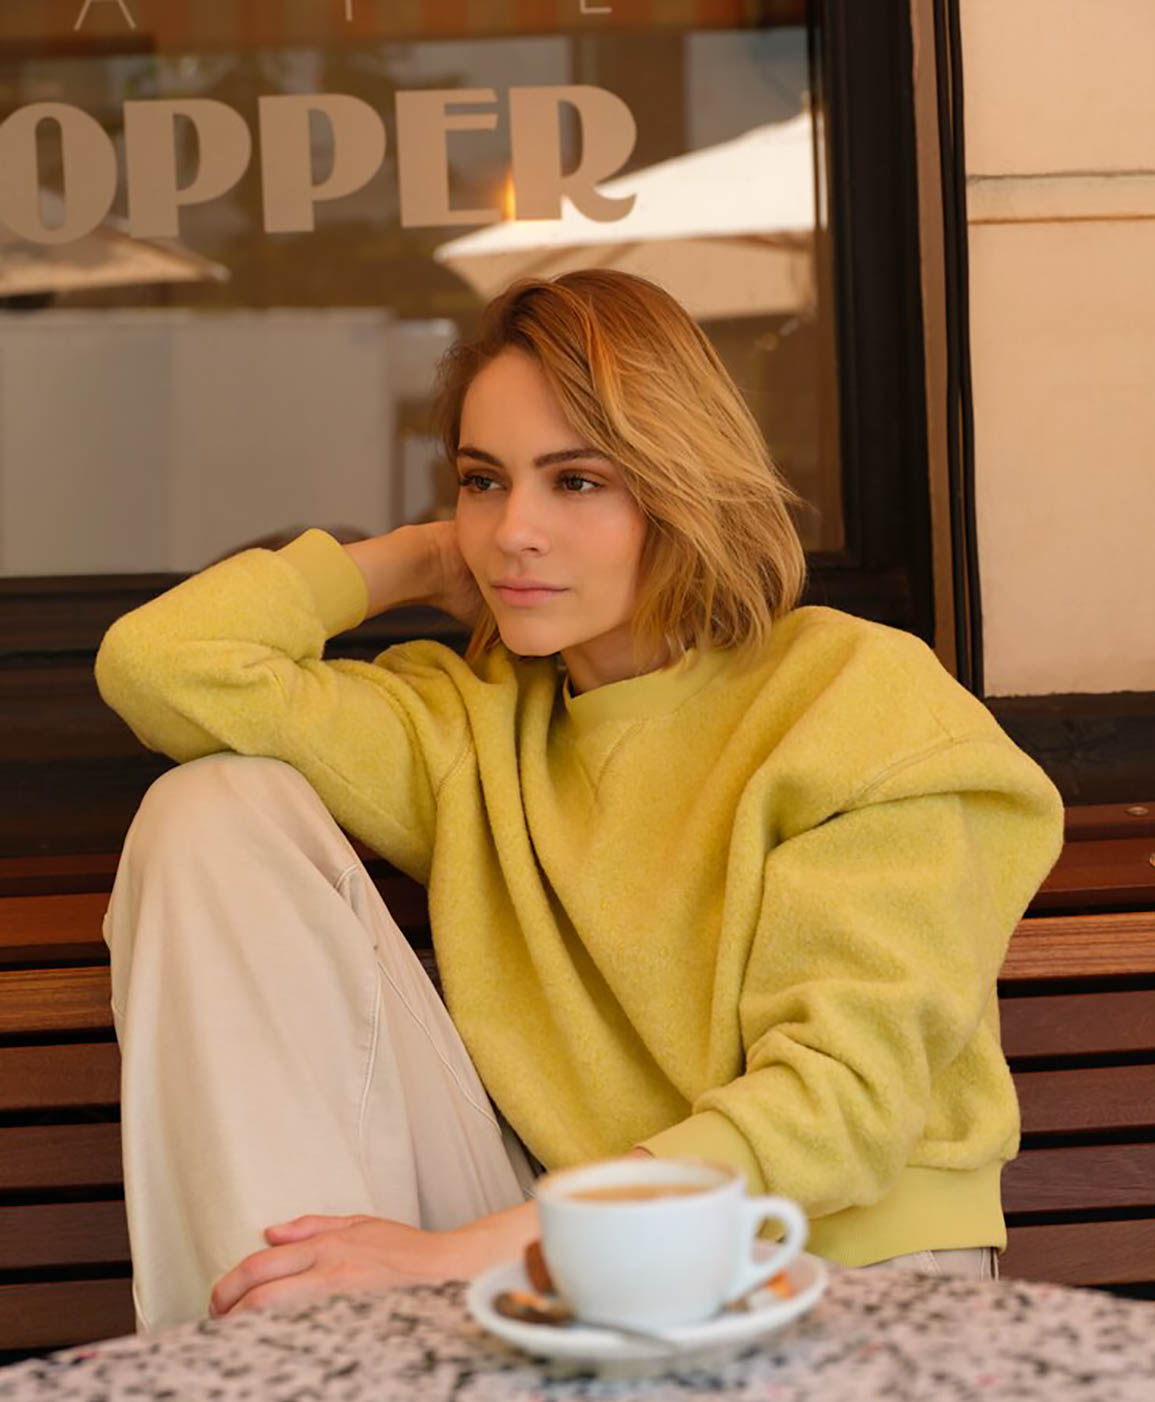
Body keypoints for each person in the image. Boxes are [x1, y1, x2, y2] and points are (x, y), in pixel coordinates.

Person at [96, 270, 1064, 1333]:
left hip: (825, 1258)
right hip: (548, 1258)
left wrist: (474, 1253)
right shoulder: (469, 726)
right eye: (483, 481)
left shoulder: (850, 697)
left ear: (679, 484)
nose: (515, 529)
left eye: (576, 481)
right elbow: (160, 665)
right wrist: (414, 556)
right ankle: (282, 1369)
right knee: (208, 809)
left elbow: (840, 1107)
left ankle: (312, 1392)